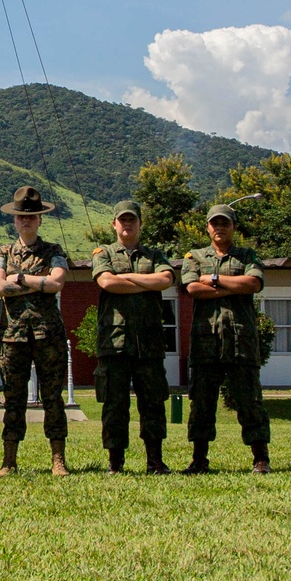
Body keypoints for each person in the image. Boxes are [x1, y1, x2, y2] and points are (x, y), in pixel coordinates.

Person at [181, 203, 271, 474]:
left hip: (240, 341)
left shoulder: (247, 255)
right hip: (205, 342)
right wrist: (233, 288)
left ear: (234, 227)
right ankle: (199, 460)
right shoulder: (194, 256)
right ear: (207, 227)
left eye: (225, 223)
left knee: (249, 401)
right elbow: (193, 288)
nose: (219, 227)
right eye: (214, 223)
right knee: (202, 403)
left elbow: (253, 284)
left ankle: (261, 459)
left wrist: (216, 280)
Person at [0, 185, 70, 477]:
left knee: (53, 398)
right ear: (14, 221)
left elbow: (58, 282)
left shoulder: (54, 251)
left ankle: (57, 460)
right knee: (13, 398)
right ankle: (9, 461)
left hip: (48, 335)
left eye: (32, 216)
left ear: (40, 220)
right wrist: (40, 281)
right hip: (13, 337)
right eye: (21, 217)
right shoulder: (2, 251)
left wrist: (20, 278)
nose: (26, 221)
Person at [91, 199, 176, 474]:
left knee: (153, 404)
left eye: (132, 219)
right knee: (115, 405)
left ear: (140, 223)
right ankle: (116, 463)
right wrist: (144, 281)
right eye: (122, 220)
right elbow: (106, 282)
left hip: (149, 342)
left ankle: (155, 461)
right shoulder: (103, 253)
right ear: (114, 224)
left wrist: (127, 279)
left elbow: (165, 280)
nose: (127, 224)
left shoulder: (155, 255)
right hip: (114, 343)